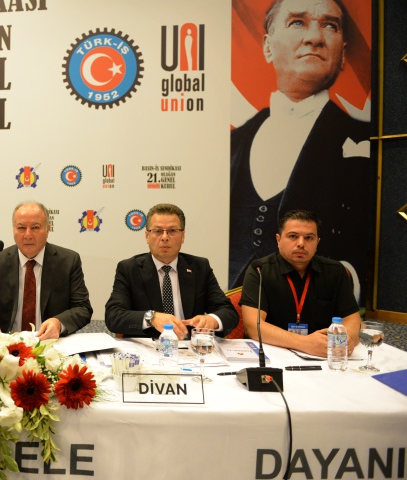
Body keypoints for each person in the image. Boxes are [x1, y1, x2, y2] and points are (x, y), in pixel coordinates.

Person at [229, 0, 370, 296]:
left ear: (343, 54)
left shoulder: (364, 142)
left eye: (330, 25)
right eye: (297, 22)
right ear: (268, 47)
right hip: (225, 311)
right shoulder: (233, 143)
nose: (315, 37)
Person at [105, 203, 238, 340]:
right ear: (147, 236)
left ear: (182, 236)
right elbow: (113, 316)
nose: (164, 237)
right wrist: (151, 317)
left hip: (189, 347)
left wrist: (212, 320)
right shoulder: (129, 269)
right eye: (158, 231)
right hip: (149, 347)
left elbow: (228, 312)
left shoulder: (200, 267)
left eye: (172, 231)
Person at [0, 201, 92, 340]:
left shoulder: (68, 261)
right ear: (13, 230)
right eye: (21, 228)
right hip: (7, 345)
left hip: (51, 343)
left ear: (48, 230)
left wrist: (58, 323)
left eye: (35, 227)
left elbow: (83, 308)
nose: (28, 235)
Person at [240, 209, 360, 357]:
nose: (301, 244)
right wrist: (304, 343)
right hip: (273, 354)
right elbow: (253, 327)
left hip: (322, 356)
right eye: (293, 236)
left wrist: (346, 340)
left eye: (309, 238)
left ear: (317, 242)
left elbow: (352, 319)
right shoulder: (259, 270)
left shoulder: (335, 271)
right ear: (278, 239)